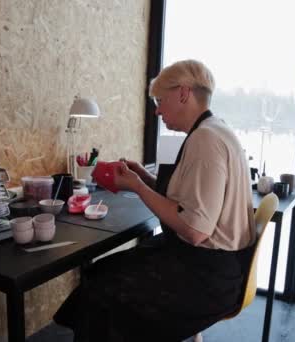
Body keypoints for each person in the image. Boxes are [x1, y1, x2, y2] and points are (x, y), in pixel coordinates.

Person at [54, 60, 256, 341]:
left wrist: (137, 187)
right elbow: (189, 201)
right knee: (102, 270)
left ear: (184, 94)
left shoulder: (205, 140)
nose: (158, 110)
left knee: (101, 291)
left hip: (209, 277)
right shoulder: (214, 129)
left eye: (161, 101)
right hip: (218, 265)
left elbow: (196, 230)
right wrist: (145, 179)